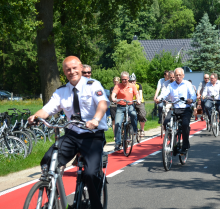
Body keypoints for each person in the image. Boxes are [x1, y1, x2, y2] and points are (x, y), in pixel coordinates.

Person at [27, 56, 110, 209]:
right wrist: (36, 116)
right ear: (64, 72)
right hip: (72, 135)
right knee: (47, 161)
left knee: (91, 174)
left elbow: (102, 104)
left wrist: (96, 119)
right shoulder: (62, 91)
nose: (72, 72)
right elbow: (47, 109)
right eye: (68, 70)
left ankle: (96, 206)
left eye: (74, 68)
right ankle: (54, 197)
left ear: (80, 68)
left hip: (92, 136)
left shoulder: (93, 85)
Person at [156, 68, 197, 154]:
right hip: (175, 109)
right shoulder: (171, 86)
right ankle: (172, 141)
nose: (178, 77)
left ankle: (185, 145)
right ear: (174, 76)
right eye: (176, 75)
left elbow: (193, 95)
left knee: (185, 125)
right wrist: (159, 98)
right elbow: (164, 93)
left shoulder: (187, 84)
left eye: (180, 75)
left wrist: (191, 100)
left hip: (185, 109)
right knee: (166, 122)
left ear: (183, 76)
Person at [111, 71, 141, 151]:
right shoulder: (118, 86)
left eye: (125, 79)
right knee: (117, 123)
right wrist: (114, 98)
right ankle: (117, 143)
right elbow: (114, 93)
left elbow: (137, 94)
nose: (124, 81)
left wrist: (138, 100)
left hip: (130, 105)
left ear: (128, 78)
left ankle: (135, 130)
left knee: (134, 114)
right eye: (122, 79)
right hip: (120, 107)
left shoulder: (132, 86)